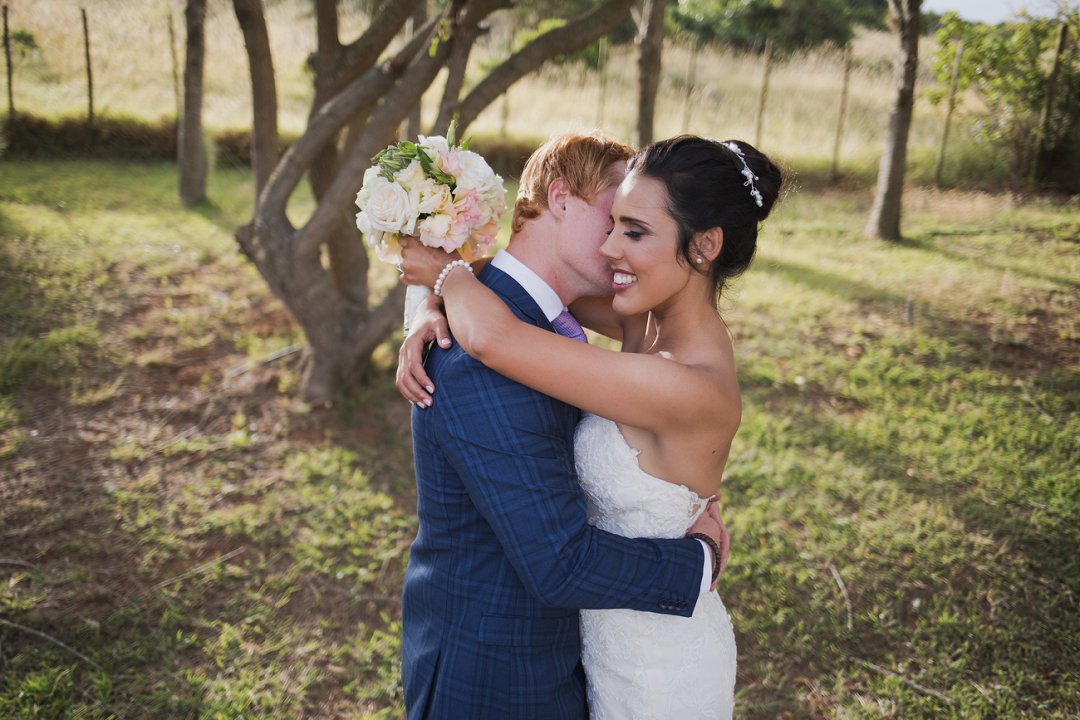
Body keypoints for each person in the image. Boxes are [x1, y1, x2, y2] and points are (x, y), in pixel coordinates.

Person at [398, 134, 783, 719]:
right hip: (573, 653)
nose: (610, 246)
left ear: (705, 245)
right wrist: (432, 303)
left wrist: (444, 274)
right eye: (612, 222)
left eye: (633, 231)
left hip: (657, 666)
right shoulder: (640, 323)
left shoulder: (686, 382)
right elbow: (524, 289)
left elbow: (496, 337)